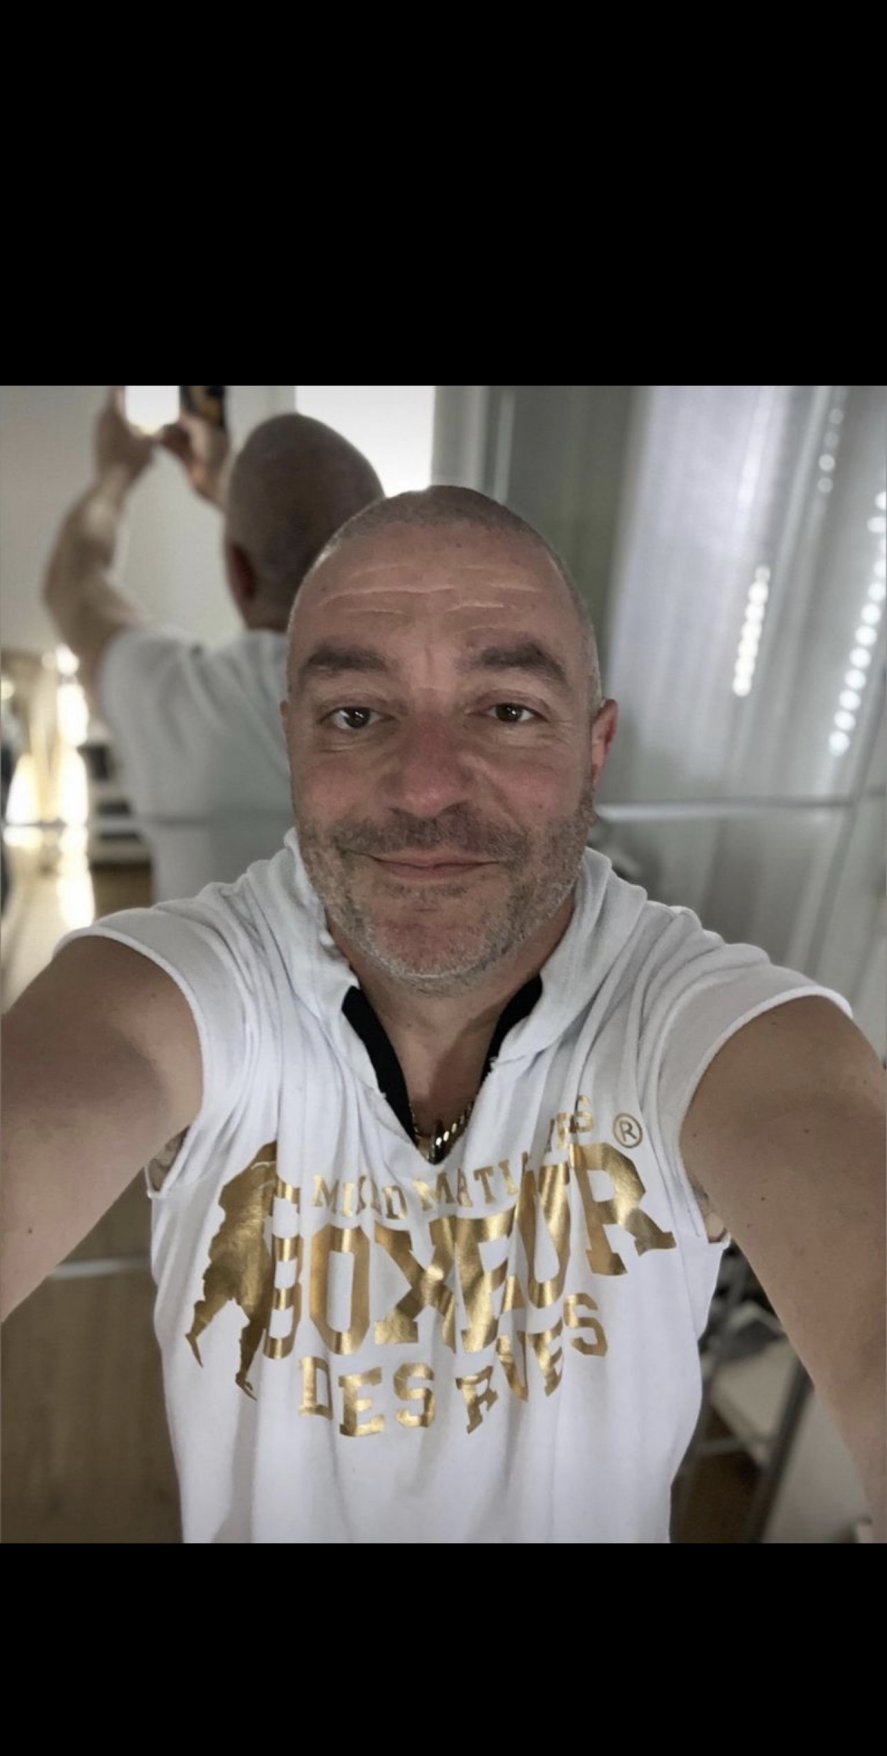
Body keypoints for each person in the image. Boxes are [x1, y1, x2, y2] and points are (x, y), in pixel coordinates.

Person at [3, 487, 884, 1543]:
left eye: (506, 710)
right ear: (292, 742)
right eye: (356, 715)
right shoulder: (170, 986)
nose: (424, 789)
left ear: (594, 748)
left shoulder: (716, 1027)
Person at [42, 388, 383, 899]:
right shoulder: (439, 705)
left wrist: (115, 474)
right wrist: (231, 490)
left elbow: (74, 583)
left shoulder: (181, 698)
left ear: (237, 572)